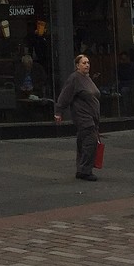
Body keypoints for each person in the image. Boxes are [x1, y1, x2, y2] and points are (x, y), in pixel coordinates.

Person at [54, 53, 101, 181]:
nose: (87, 65)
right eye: (83, 63)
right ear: (77, 66)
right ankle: (85, 171)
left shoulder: (87, 78)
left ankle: (81, 169)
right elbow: (65, 95)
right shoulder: (75, 78)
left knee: (83, 142)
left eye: (88, 63)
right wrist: (58, 112)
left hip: (92, 117)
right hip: (83, 117)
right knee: (90, 142)